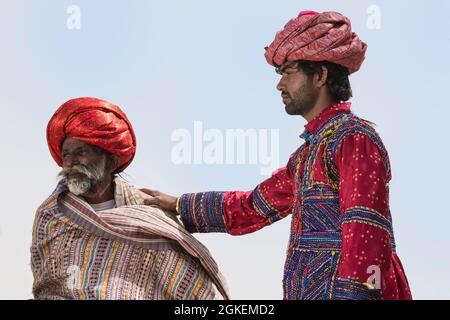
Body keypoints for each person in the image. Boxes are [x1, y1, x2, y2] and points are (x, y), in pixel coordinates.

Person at [142, 11, 412, 300]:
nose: (280, 85)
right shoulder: (307, 155)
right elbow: (254, 206)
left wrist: (356, 295)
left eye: (288, 72)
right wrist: (181, 205)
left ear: (320, 75)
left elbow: (367, 233)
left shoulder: (354, 139)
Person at [31, 97, 229, 300]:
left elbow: (189, 286)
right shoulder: (51, 215)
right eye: (66, 155)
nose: (71, 162)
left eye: (82, 153)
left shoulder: (150, 214)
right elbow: (45, 285)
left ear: (111, 160)